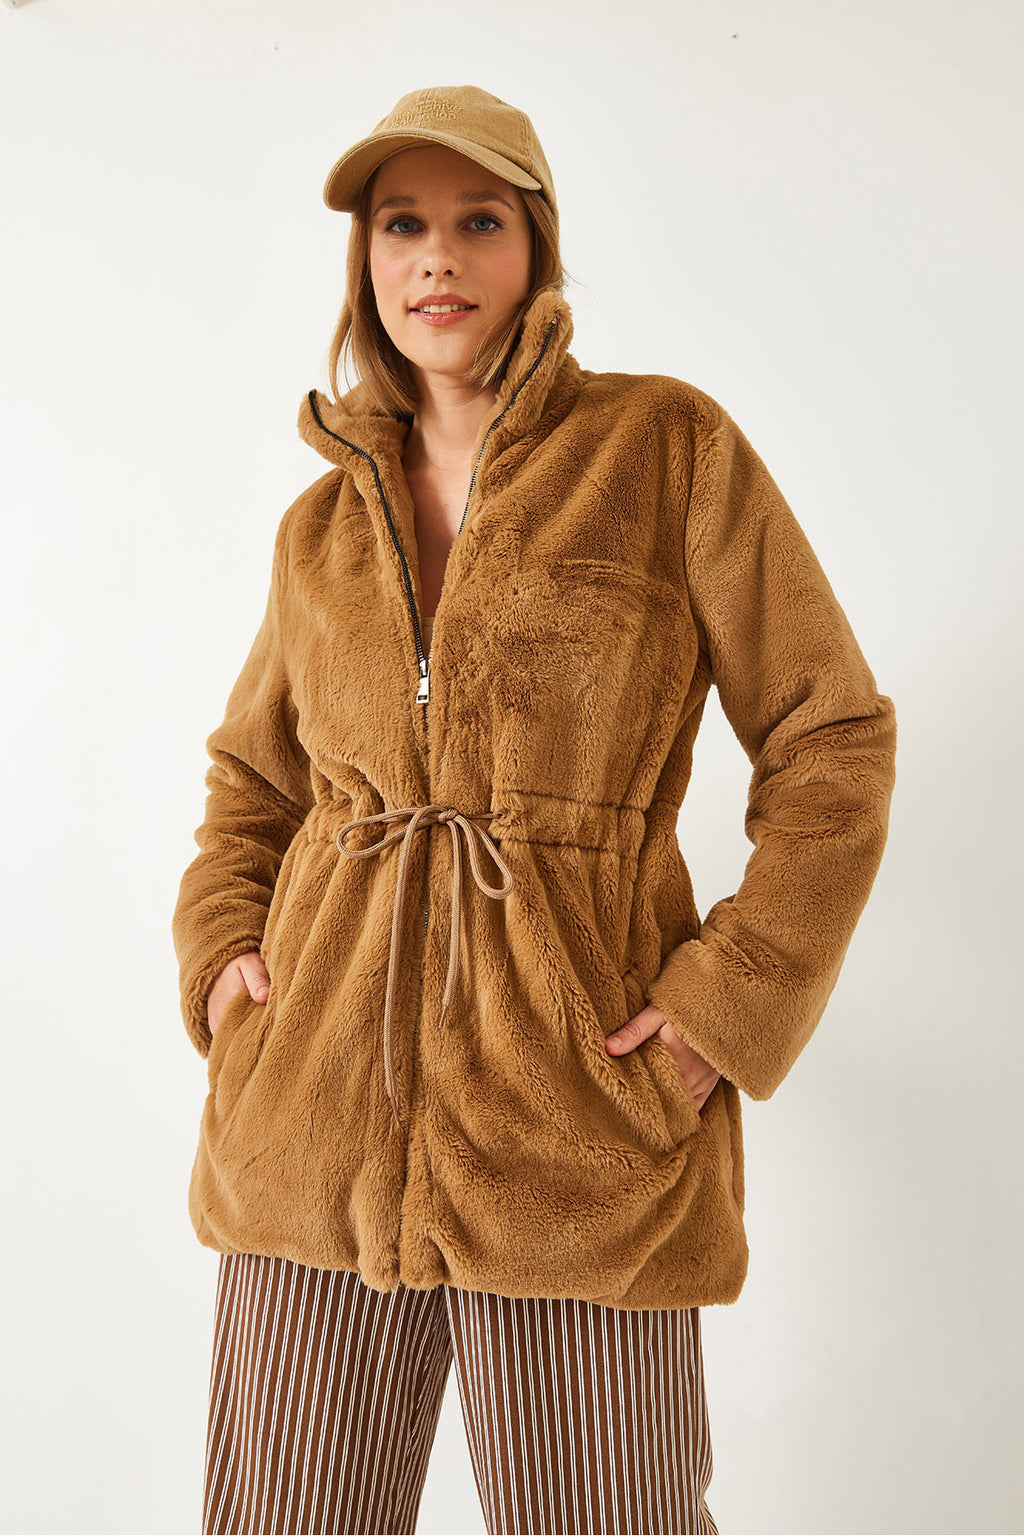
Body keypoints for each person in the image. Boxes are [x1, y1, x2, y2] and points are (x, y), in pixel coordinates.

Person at [172, 84, 897, 1536]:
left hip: (580, 1133)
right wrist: (224, 967)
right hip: (309, 1129)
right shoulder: (321, 525)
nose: (437, 258)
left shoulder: (664, 450)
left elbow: (833, 739)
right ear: (367, 260)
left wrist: (723, 1014)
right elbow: (254, 784)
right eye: (403, 226)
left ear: (536, 248)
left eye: (479, 222)